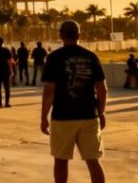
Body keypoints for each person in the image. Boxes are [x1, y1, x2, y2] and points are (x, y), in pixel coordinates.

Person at [40, 20, 107, 183]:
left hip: (62, 117)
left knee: (61, 160)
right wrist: (101, 112)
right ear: (79, 35)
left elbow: (49, 90)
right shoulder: (91, 57)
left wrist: (43, 117)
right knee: (93, 161)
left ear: (61, 36)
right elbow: (102, 89)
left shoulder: (53, 58)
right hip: (89, 116)